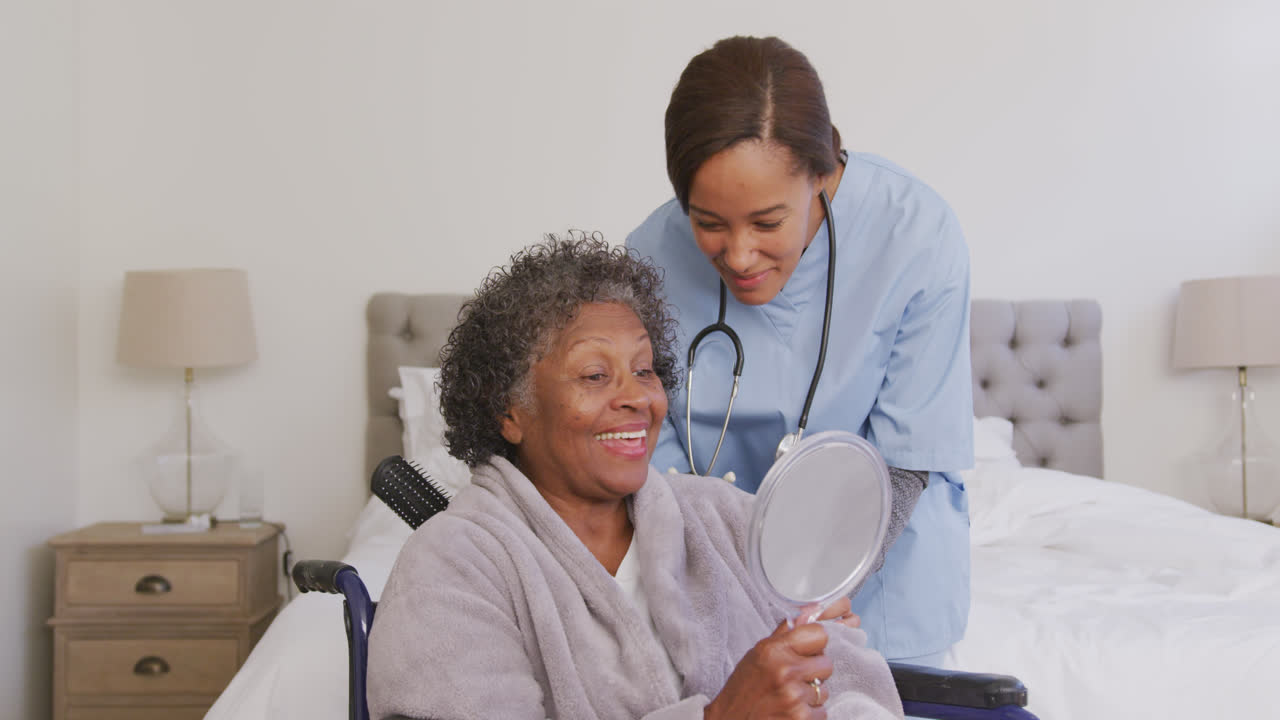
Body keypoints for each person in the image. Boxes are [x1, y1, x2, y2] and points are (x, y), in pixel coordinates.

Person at [367, 235, 903, 720]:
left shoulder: (727, 518)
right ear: (510, 411)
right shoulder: (453, 566)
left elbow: (855, 686)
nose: (637, 398)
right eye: (595, 375)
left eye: (645, 370)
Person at [626, 36, 973, 666]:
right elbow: (651, 444)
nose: (738, 255)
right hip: (710, 583)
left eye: (766, 223)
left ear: (823, 173)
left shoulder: (917, 236)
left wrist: (810, 585)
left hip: (879, 592)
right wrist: (724, 579)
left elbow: (908, 457)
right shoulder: (649, 257)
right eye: (707, 223)